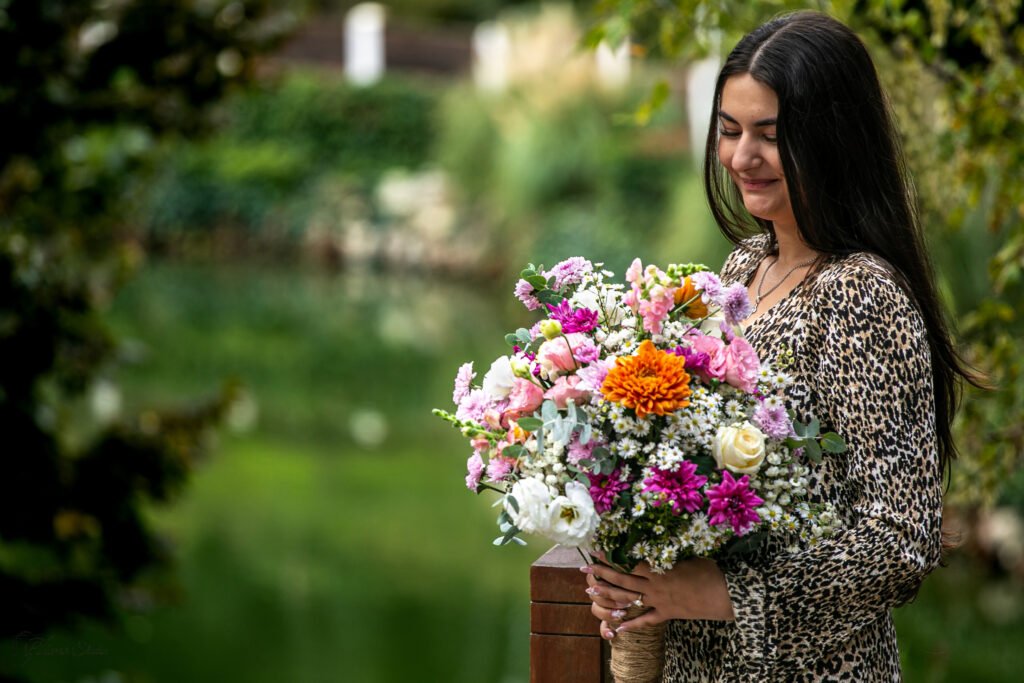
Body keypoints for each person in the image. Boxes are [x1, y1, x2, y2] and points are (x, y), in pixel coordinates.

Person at [582, 10, 979, 681]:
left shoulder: (860, 296)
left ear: (831, 140)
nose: (742, 157)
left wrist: (716, 593)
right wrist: (641, 563)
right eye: (730, 130)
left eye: (770, 135)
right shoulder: (742, 269)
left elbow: (900, 539)